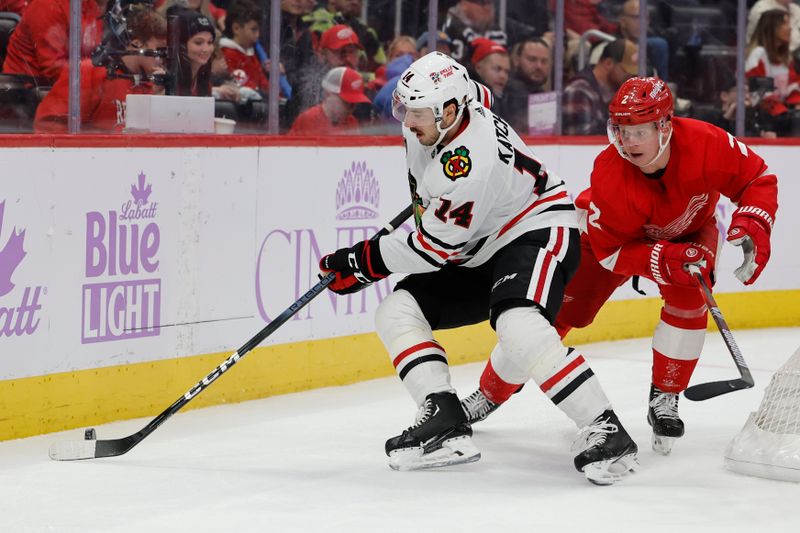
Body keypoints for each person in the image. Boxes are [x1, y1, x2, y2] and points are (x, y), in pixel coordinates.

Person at [318, 51, 638, 485]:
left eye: (418, 114)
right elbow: (478, 92)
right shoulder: (452, 109)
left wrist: (362, 262)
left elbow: (432, 250)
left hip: (537, 229)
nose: (407, 123)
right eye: (403, 109)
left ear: (451, 112)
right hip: (479, 244)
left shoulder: (468, 162)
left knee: (518, 324)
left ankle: (605, 427)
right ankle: (443, 416)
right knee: (396, 311)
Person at [464, 76, 779, 457]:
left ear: (665, 125)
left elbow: (757, 177)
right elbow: (611, 251)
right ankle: (489, 392)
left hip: (688, 231)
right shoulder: (611, 172)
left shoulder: (706, 142)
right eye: (621, 131)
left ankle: (665, 395)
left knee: (689, 297)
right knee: (552, 318)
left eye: (639, 131)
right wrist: (664, 259)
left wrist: (754, 223)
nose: (628, 143)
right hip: (603, 242)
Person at [34, 6, 168, 132]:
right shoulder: (90, 73)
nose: (163, 57)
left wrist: (160, 98)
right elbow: (48, 125)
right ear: (136, 43)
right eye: (160, 49)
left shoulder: (151, 85)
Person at [2, 0, 107, 83]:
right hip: (27, 93)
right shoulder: (46, 5)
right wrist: (102, 74)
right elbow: (54, 69)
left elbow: (97, 52)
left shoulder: (90, 4)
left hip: (66, 87)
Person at [563, 38, 637, 135]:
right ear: (608, 63)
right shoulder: (579, 91)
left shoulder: (617, 92)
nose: (630, 76)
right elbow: (583, 144)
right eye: (626, 71)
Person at [745, 9, 800, 130]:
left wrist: (796, 104)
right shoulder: (758, 54)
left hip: (785, 116)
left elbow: (794, 88)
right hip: (764, 119)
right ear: (771, 28)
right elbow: (758, 95)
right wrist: (786, 111)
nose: (790, 28)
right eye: (784, 24)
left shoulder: (787, 59)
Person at [441, 0, 535, 66]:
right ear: (464, 3)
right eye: (482, 3)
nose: (487, 8)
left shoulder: (497, 29)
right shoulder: (450, 28)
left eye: (490, 3)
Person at [289, 65, 368, 135]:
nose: (351, 109)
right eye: (346, 102)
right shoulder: (308, 119)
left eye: (354, 104)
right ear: (328, 94)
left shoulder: (352, 122)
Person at [218, 0, 269, 94]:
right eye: (253, 30)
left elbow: (266, 87)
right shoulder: (226, 55)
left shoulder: (251, 55)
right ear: (236, 28)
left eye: (258, 30)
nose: (257, 35)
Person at [503, 37, 552, 133]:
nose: (539, 66)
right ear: (517, 60)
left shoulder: (541, 93)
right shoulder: (512, 91)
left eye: (544, 61)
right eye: (532, 59)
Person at [618, 0, 669, 81]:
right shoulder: (613, 47)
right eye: (636, 18)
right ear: (623, 21)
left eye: (646, 18)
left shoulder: (647, 47)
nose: (642, 23)